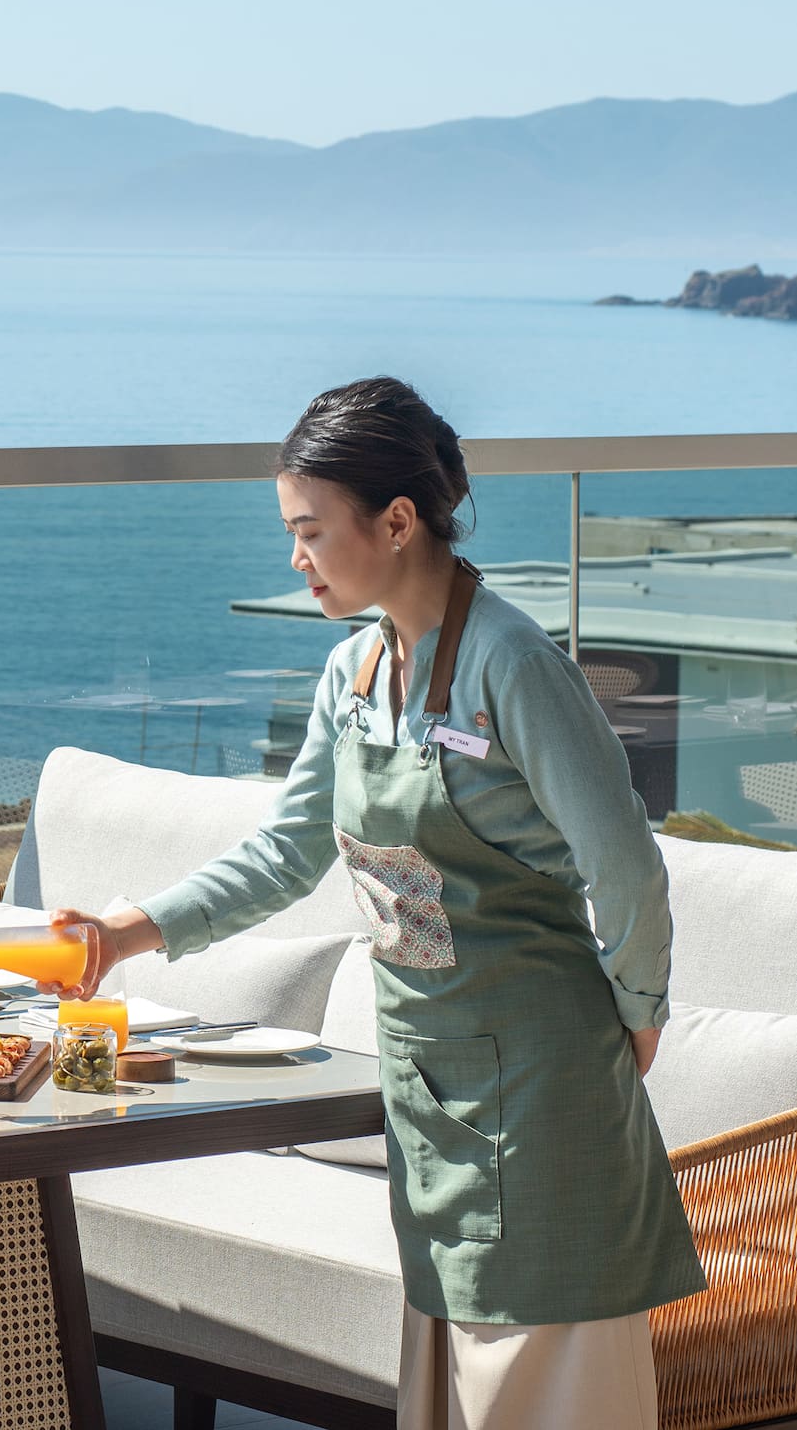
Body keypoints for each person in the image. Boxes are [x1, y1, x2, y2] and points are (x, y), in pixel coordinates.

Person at [50, 376, 704, 1430]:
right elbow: (285, 850)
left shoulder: (513, 665)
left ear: (397, 521)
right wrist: (128, 931)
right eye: (290, 532)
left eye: (311, 531)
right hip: (431, 1085)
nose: (295, 557)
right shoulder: (356, 672)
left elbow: (624, 865)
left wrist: (638, 1013)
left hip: (544, 1087)